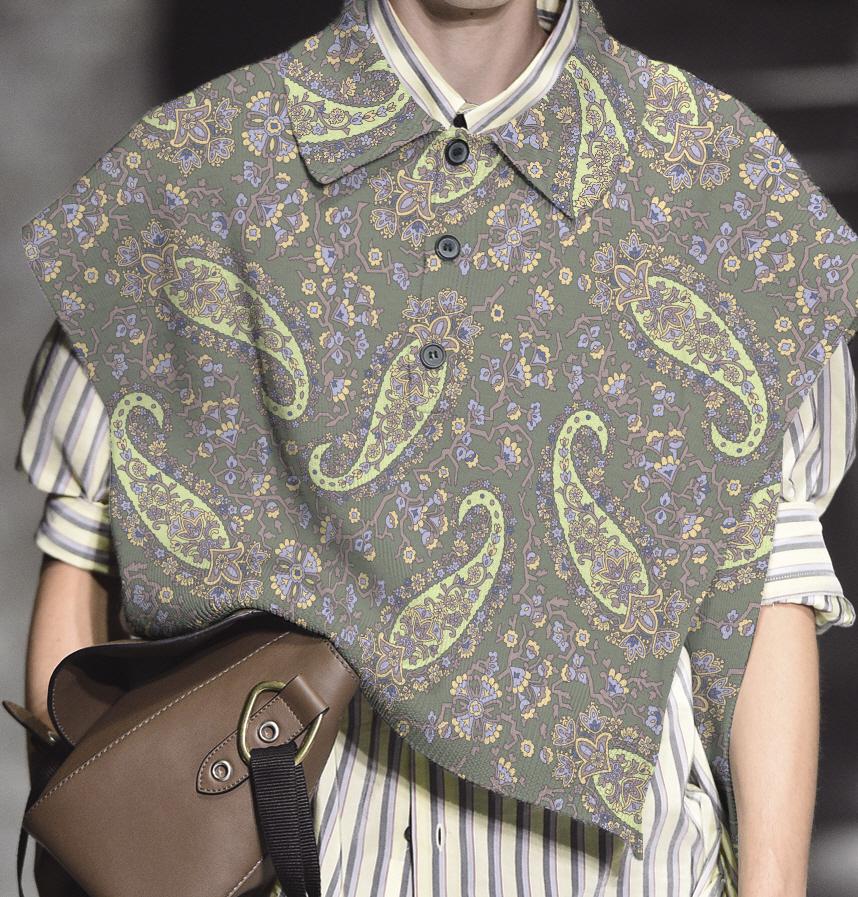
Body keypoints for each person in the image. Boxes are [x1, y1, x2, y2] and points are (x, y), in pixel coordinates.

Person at [15, 0, 858, 895]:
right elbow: (82, 570)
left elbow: (767, 587)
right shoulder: (194, 170)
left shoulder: (717, 180)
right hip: (295, 852)